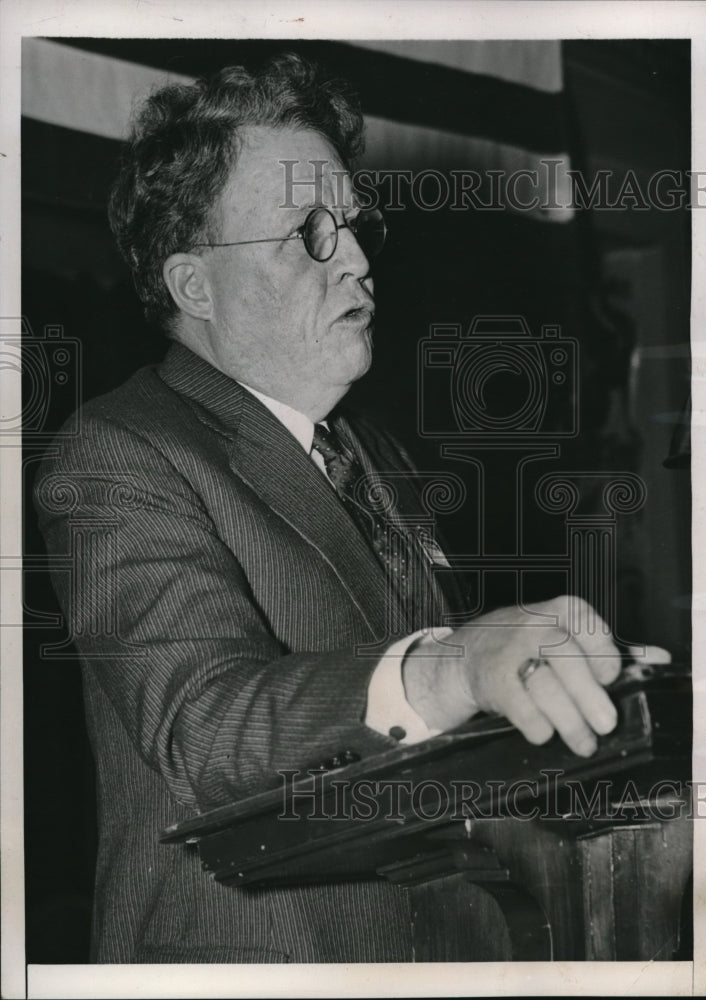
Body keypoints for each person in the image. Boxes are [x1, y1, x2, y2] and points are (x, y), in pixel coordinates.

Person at [35, 52, 622, 964]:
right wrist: (459, 663)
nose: (355, 260)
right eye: (307, 232)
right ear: (195, 286)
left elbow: (408, 721)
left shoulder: (368, 450)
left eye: (351, 225)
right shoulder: (118, 453)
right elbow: (205, 725)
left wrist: (563, 695)